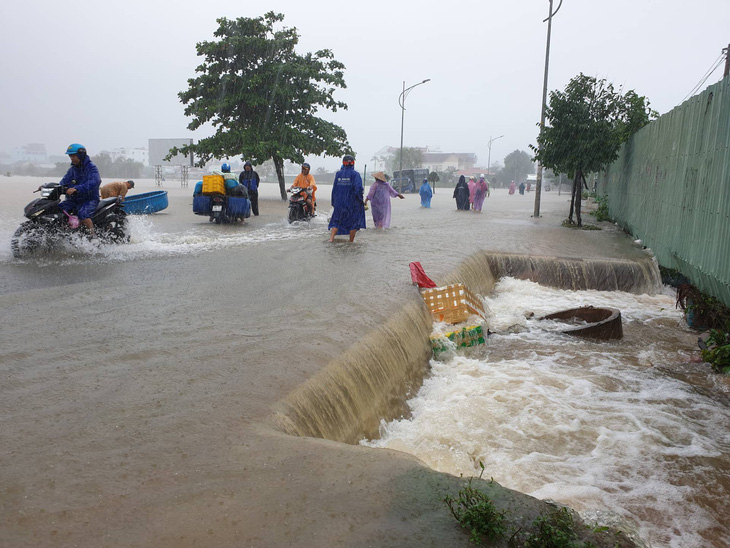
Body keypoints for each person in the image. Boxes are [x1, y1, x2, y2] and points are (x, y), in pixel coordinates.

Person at [57, 143, 101, 236]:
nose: (72, 158)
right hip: (74, 199)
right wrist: (51, 187)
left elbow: (95, 181)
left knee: (83, 214)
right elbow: (63, 182)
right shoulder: (72, 169)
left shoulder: (91, 167)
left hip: (89, 199)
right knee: (58, 209)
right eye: (70, 156)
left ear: (81, 155)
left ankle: (93, 236)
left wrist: (77, 189)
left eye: (74, 156)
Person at [329, 154, 366, 242]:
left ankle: (331, 239)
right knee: (353, 223)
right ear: (353, 163)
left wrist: (334, 202)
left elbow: (334, 189)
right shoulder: (355, 175)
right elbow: (358, 189)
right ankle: (351, 241)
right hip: (352, 203)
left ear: (343, 163)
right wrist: (361, 201)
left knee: (336, 220)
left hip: (339, 203)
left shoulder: (338, 174)